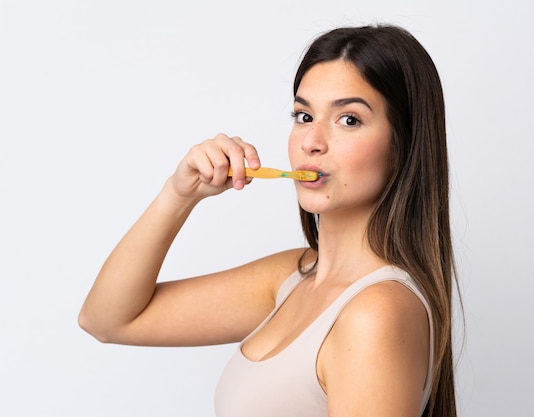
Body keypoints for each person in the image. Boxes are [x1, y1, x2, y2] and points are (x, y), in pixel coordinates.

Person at [79, 24, 459, 417]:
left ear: (404, 144)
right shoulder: (293, 277)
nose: (312, 140)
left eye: (348, 120)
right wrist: (178, 195)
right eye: (304, 115)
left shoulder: (375, 313)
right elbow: (106, 320)